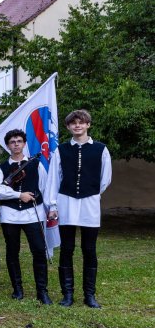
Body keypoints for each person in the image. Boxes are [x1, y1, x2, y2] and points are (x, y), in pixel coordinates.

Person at [47, 109, 112, 308]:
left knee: (89, 249)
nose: (77, 125)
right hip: (66, 201)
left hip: (90, 203)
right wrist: (53, 204)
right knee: (66, 249)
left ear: (88, 125)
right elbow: (53, 178)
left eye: (81, 122)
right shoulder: (61, 150)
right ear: (68, 127)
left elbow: (105, 178)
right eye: (73, 123)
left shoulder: (101, 149)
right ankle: (67, 295)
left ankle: (89, 295)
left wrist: (91, 193)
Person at [0, 129, 53, 305]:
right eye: (12, 142)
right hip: (10, 215)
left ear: (24, 143)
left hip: (33, 213)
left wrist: (49, 207)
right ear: (8, 145)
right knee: (12, 252)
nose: (16, 144)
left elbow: (44, 187)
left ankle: (42, 291)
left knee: (39, 251)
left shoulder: (36, 164)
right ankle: (17, 289)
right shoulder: (2, 167)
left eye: (19, 141)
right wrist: (18, 195)